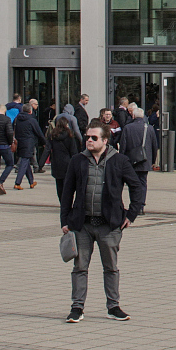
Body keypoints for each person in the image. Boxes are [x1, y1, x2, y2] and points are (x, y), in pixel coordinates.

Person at [60, 119, 146, 323]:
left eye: (93, 137)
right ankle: (77, 307)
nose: (88, 141)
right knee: (80, 267)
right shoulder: (78, 160)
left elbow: (137, 186)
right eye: (87, 137)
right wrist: (64, 219)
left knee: (111, 267)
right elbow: (67, 192)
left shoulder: (120, 161)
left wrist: (131, 214)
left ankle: (113, 306)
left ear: (105, 140)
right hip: (82, 224)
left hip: (110, 225)